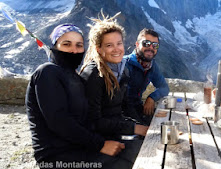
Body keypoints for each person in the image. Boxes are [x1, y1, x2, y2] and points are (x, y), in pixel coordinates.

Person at [26, 24, 129, 168]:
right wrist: (101, 144)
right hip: (56, 157)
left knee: (133, 153)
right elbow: (59, 121)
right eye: (67, 44)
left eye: (79, 45)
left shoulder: (76, 78)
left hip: (80, 147)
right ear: (55, 46)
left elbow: (87, 119)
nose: (74, 51)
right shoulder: (47, 73)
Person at [80, 13, 148, 167]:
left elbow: (124, 107)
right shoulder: (93, 75)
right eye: (109, 45)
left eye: (119, 43)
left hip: (115, 133)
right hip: (97, 143)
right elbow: (92, 121)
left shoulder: (123, 70)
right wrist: (134, 128)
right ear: (99, 49)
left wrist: (140, 124)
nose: (116, 49)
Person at [124, 28, 169, 125]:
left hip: (138, 110)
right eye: (146, 43)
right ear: (137, 44)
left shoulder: (151, 66)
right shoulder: (124, 64)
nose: (151, 48)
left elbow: (164, 87)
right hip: (122, 115)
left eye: (155, 45)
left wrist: (152, 98)